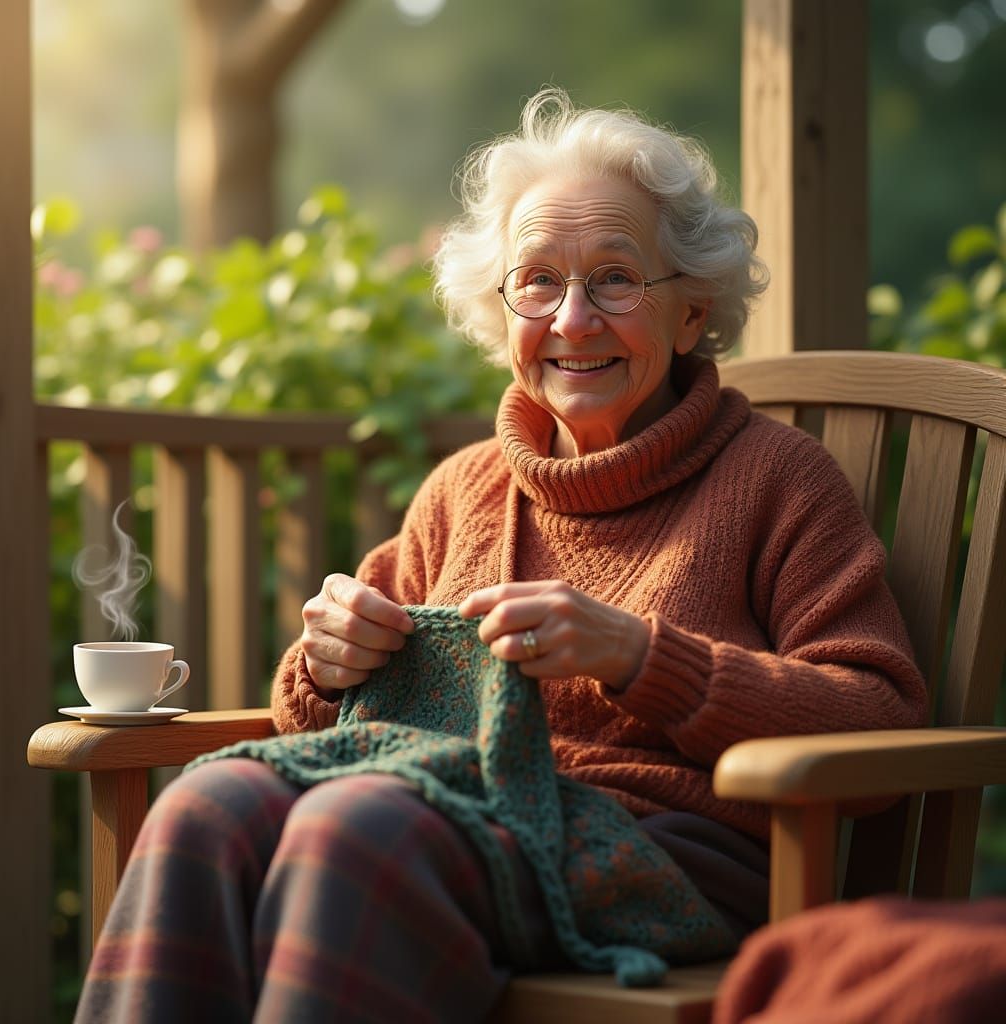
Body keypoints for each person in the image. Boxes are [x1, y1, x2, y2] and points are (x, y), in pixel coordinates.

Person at [76, 87, 927, 1023]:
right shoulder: (466, 487)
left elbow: (880, 714)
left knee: (351, 825)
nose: (571, 320)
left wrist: (645, 660)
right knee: (207, 807)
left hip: (661, 852)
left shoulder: (779, 480)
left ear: (691, 314)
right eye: (537, 281)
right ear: (502, 307)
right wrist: (327, 663)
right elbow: (317, 711)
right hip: (447, 814)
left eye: (614, 278)